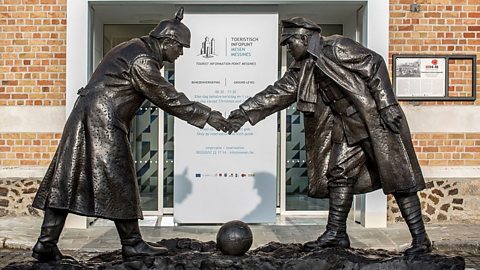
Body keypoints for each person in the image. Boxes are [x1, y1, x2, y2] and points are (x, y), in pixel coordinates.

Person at [31, 8, 230, 262]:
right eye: (180, 48)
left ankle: (45, 243)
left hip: (87, 117)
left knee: (68, 180)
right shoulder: (142, 60)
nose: (180, 54)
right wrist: (208, 115)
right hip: (102, 122)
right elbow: (166, 96)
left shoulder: (133, 47)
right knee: (120, 179)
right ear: (167, 41)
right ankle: (133, 244)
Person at [228, 17, 431, 255]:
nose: (288, 48)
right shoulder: (302, 67)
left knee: (398, 178)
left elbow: (374, 63)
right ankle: (336, 233)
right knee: (339, 174)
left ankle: (421, 240)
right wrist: (242, 114)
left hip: (374, 121)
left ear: (303, 38)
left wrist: (387, 104)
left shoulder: (336, 47)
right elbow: (277, 93)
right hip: (346, 125)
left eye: (289, 42)